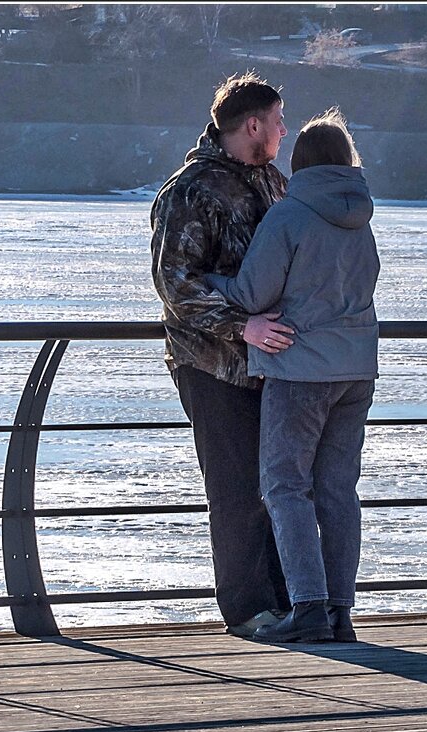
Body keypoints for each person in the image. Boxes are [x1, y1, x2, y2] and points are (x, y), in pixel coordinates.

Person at [204, 108, 381, 644]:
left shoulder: (289, 215)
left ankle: (306, 608)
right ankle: (340, 612)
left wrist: (210, 278)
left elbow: (252, 295)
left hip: (299, 369)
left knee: (284, 487)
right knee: (337, 492)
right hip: (356, 372)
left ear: (300, 161)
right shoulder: (362, 216)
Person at [150, 71, 294, 638]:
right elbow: (175, 284)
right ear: (252, 124)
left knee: (280, 488)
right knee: (236, 492)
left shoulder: (273, 184)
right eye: (278, 121)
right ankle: (249, 612)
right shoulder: (190, 191)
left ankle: (290, 604)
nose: (284, 130)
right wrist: (244, 327)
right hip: (213, 366)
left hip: (274, 368)